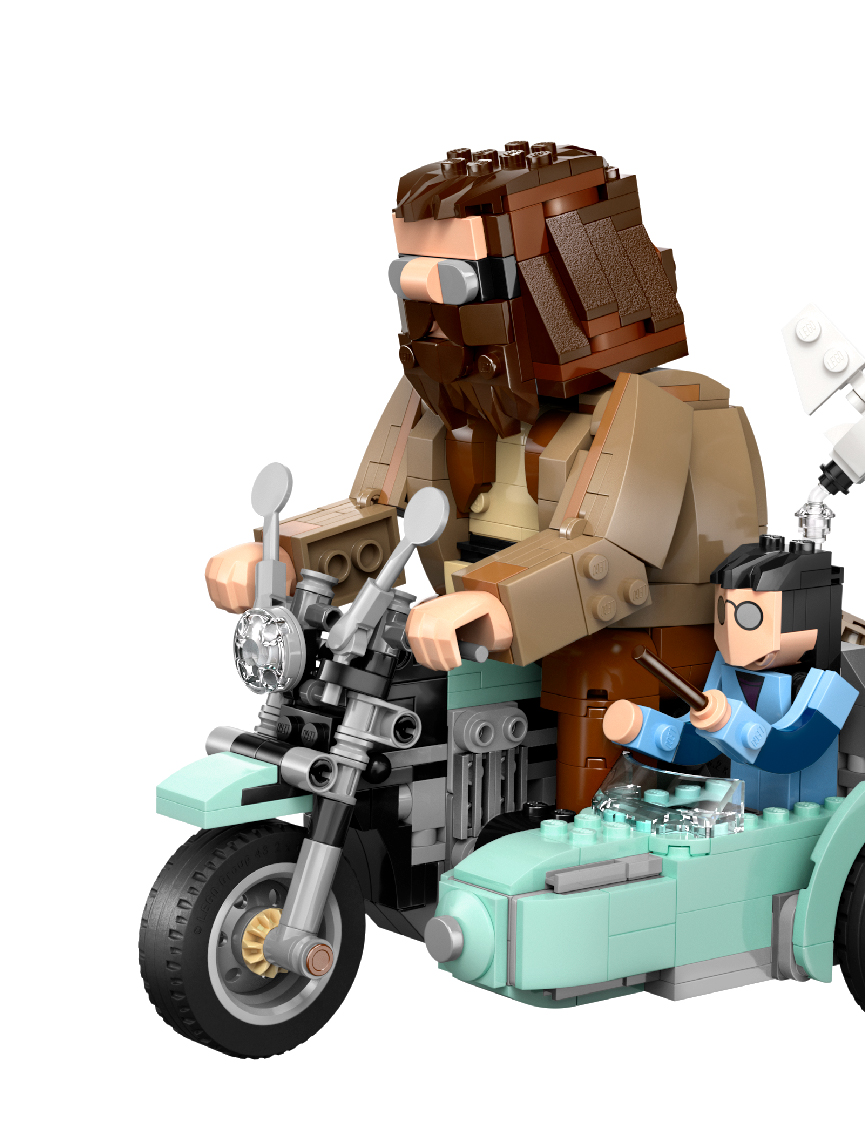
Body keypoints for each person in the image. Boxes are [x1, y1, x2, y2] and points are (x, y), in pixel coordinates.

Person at [205, 142, 769, 809]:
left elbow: (611, 554)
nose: (429, 309)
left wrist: (495, 604)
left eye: (454, 282)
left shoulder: (659, 409)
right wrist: (288, 559)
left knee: (592, 722)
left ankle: (576, 849)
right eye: (407, 278)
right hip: (475, 638)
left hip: (632, 646)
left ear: (562, 283)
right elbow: (380, 508)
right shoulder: (440, 399)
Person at [602, 536, 859, 811]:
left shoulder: (831, 686)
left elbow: (793, 750)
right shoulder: (727, 669)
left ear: (805, 617)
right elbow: (698, 745)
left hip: (800, 810)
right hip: (741, 809)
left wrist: (730, 724)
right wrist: (645, 728)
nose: (733, 633)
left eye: (749, 616)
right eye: (723, 614)